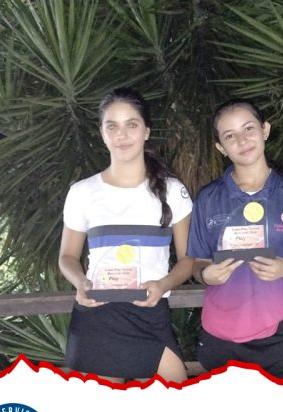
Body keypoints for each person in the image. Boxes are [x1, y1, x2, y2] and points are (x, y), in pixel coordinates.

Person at [187, 98, 283, 378]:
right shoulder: (208, 198)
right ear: (221, 147)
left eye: (248, 128)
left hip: (281, 331)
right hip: (221, 333)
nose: (242, 140)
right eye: (230, 136)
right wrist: (205, 275)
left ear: (265, 130)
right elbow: (197, 262)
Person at [59, 87, 193, 383]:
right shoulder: (82, 192)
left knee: (177, 405)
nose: (122, 135)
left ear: (146, 131)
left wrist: (162, 285)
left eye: (131, 124)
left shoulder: (173, 190)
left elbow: (188, 260)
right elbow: (67, 257)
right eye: (112, 126)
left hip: (150, 312)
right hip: (97, 314)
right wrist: (81, 282)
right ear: (102, 133)